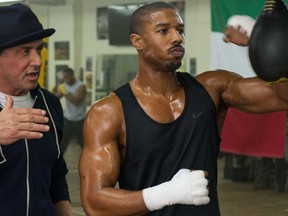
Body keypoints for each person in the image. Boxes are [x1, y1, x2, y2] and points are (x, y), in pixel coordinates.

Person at [79, 2, 288, 216]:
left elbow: (281, 96)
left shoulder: (212, 88)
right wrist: (167, 193)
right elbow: (94, 202)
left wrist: (261, 43)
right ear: (137, 41)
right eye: (163, 31)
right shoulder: (109, 112)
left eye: (180, 30)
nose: (177, 37)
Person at [0, 3, 72, 215]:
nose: (38, 61)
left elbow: (56, 174)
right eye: (25, 51)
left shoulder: (50, 104)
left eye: (39, 49)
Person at [52, 67, 87, 154]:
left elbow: (76, 101)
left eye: (67, 77)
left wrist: (65, 93)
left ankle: (91, 163)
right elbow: (56, 99)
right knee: (62, 144)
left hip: (80, 120)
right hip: (68, 119)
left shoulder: (81, 86)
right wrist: (53, 92)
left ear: (72, 75)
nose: (65, 79)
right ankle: (57, 165)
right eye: (64, 77)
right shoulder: (65, 86)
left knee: (84, 144)